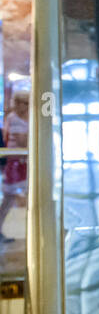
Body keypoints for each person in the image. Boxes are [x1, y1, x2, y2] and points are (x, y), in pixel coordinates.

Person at [0, 85, 29, 243]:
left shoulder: (28, 117)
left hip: (24, 162)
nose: (22, 106)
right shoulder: (13, 118)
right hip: (15, 162)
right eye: (20, 102)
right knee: (9, 198)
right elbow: (21, 140)